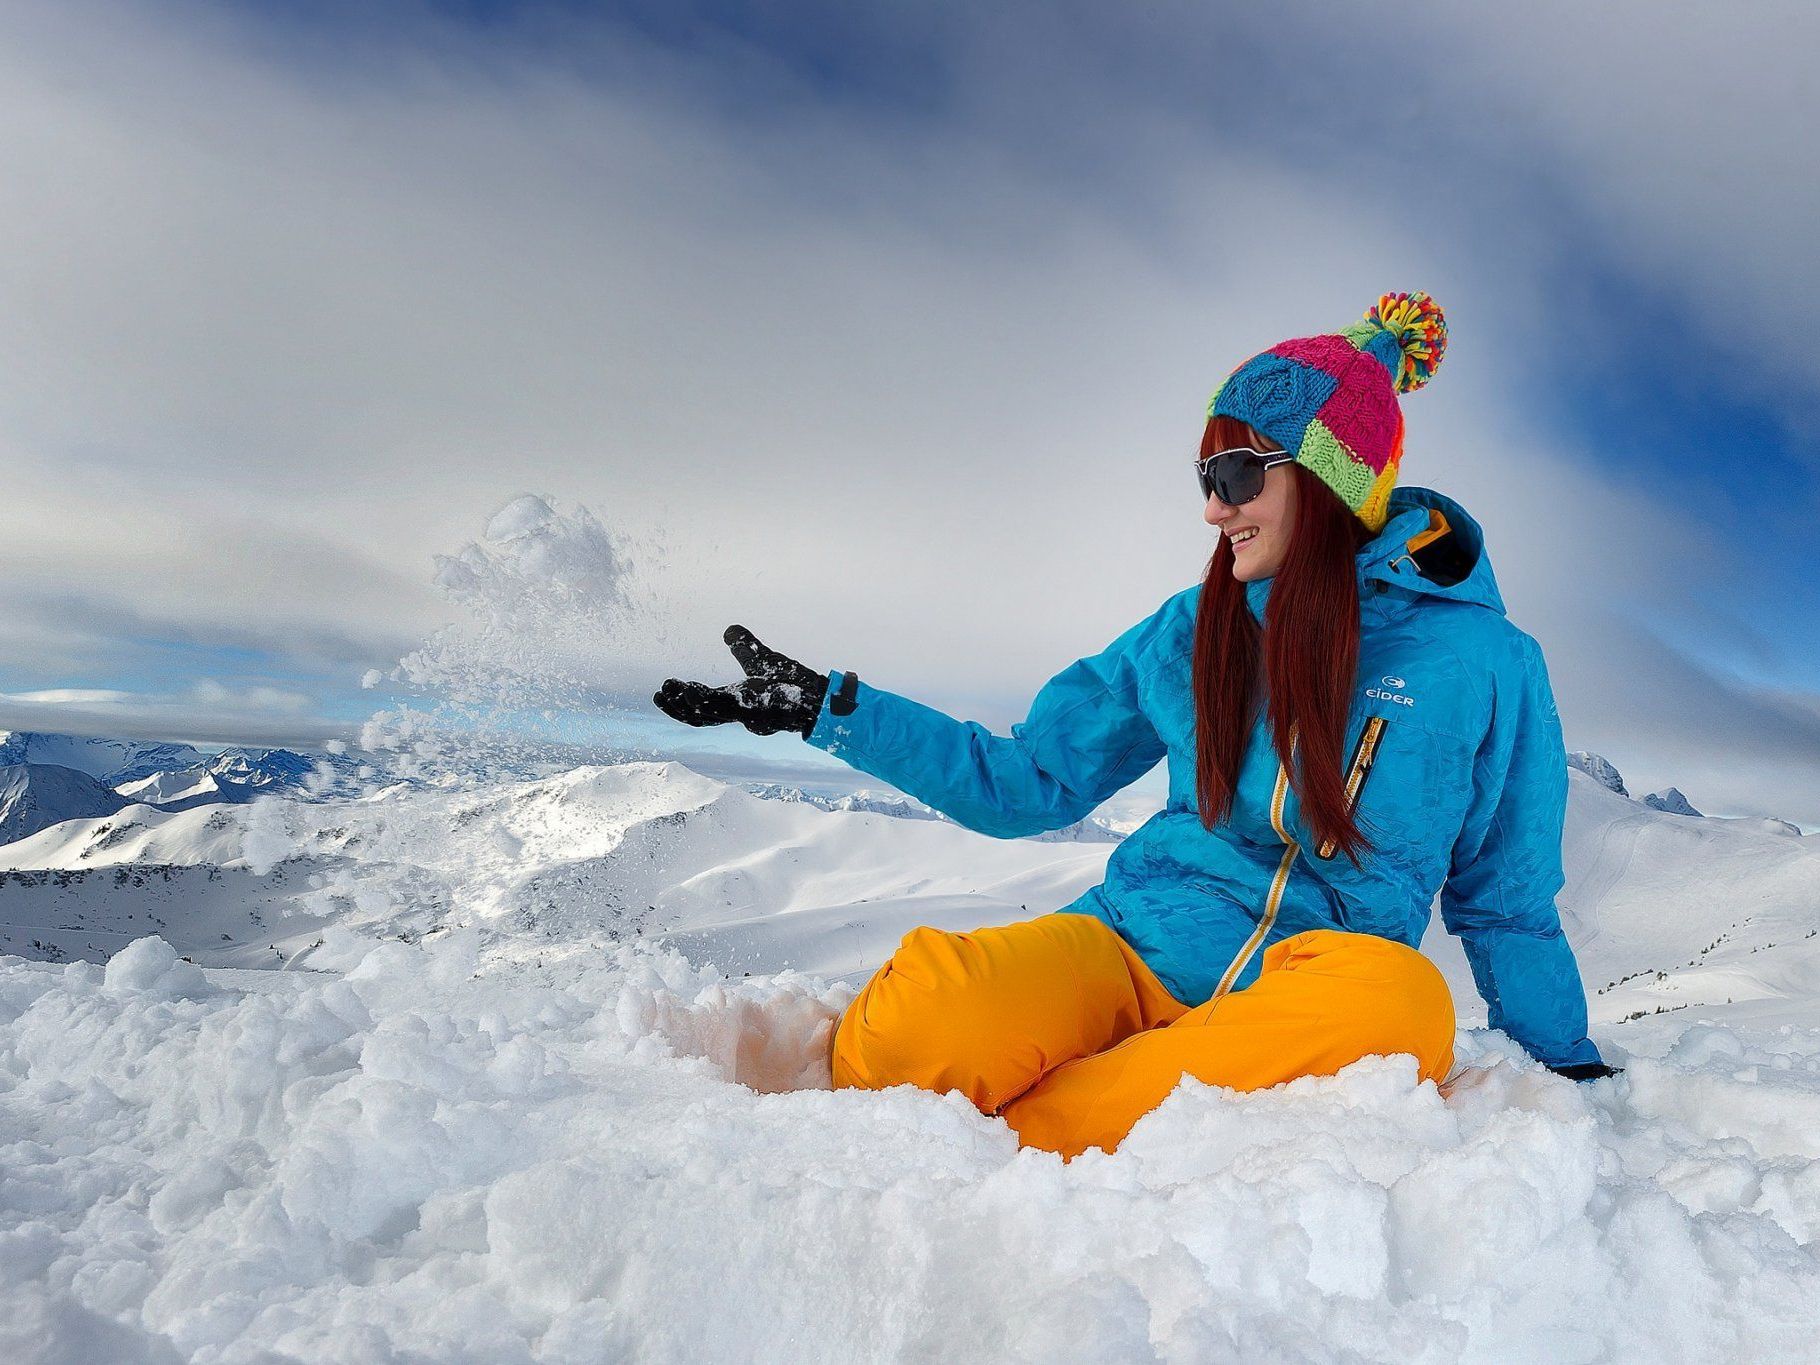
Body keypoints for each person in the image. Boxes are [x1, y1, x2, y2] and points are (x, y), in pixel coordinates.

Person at [654, 291, 1615, 1160]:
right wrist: (833, 711)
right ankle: (1105, 1108)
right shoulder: (1192, 628)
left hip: (1308, 984)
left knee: (1403, 1008)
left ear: (1325, 480)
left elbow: (1504, 894)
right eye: (1205, 474)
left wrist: (1565, 1062)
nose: (1212, 507)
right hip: (1129, 942)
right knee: (923, 1020)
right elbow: (1027, 778)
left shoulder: (1485, 665)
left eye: (1237, 473)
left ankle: (1026, 1133)